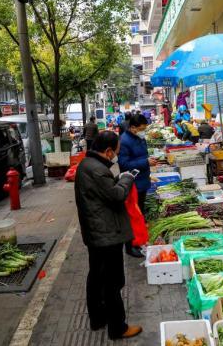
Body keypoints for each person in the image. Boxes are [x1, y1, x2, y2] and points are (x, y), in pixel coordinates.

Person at [74, 131, 143, 340]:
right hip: (105, 234)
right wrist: (127, 178)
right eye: (116, 153)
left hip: (95, 232)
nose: (116, 157)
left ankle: (98, 318)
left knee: (96, 276)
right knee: (112, 281)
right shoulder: (97, 170)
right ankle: (118, 327)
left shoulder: (86, 165)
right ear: (108, 151)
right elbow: (117, 195)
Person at [118, 114, 157, 258]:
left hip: (142, 181)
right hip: (133, 185)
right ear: (133, 127)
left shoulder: (138, 138)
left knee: (139, 214)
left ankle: (138, 241)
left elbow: (140, 156)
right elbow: (124, 164)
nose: (143, 131)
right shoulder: (125, 141)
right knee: (132, 216)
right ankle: (130, 246)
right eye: (141, 129)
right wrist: (145, 162)